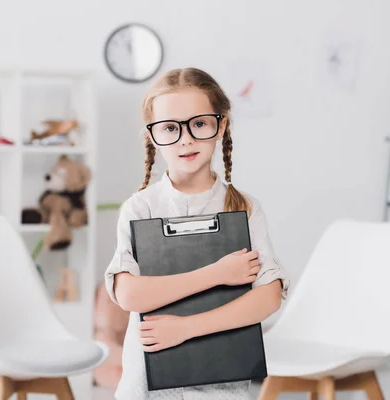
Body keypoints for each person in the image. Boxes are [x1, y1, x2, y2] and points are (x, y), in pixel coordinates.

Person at [104, 67, 290, 399]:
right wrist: (218, 273)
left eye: (199, 123)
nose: (186, 139)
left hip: (221, 382)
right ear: (152, 136)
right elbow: (129, 295)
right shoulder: (140, 208)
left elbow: (269, 296)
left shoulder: (245, 209)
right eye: (170, 128)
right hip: (146, 383)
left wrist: (185, 329)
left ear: (221, 125)